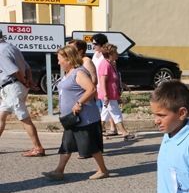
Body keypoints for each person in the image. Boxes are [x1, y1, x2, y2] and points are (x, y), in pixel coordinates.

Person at [42, 45, 109, 181]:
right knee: (66, 145)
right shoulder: (69, 73)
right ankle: (59, 171)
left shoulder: (79, 73)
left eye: (60, 59)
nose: (58, 62)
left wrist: (79, 103)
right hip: (72, 119)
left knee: (90, 144)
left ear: (69, 59)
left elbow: (91, 89)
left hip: (84, 118)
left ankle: (103, 170)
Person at [0, 30, 46, 157]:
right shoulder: (12, 47)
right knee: (1, 117)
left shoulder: (1, 51)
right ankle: (37, 147)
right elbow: (27, 67)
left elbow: (14, 71)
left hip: (12, 87)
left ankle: (38, 148)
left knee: (24, 118)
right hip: (13, 87)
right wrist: (28, 81)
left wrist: (24, 82)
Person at [98, 44, 134, 140]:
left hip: (111, 94)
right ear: (110, 54)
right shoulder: (105, 64)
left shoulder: (110, 64)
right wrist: (106, 95)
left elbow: (114, 79)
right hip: (109, 95)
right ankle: (124, 133)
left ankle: (97, 132)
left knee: (105, 114)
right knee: (116, 113)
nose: (117, 54)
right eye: (115, 52)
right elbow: (103, 81)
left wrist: (123, 85)